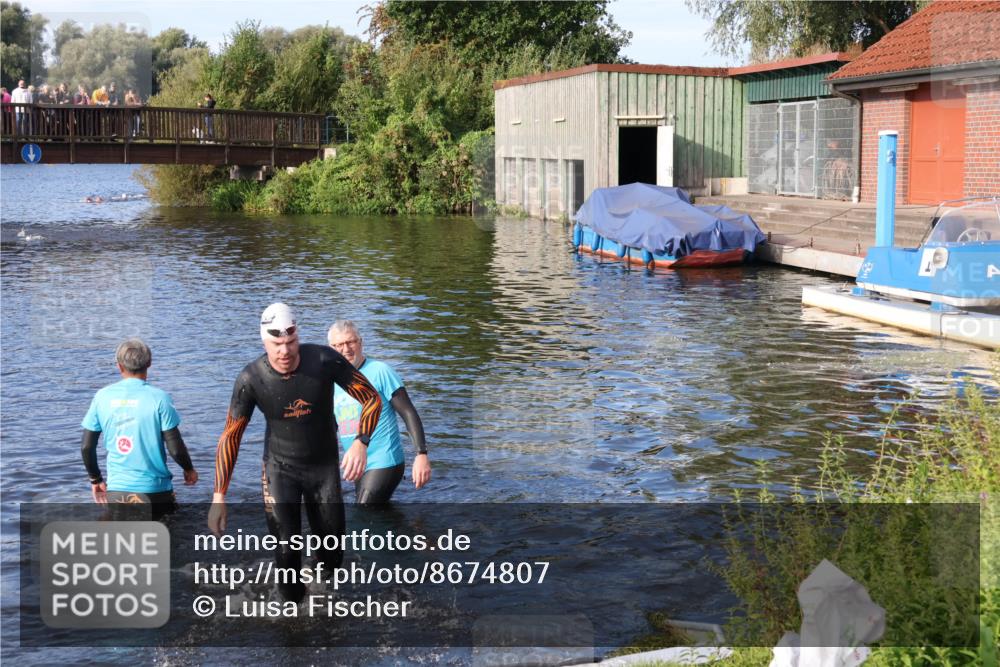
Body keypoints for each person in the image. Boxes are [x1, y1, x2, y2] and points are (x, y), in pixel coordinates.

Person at [208, 303, 382, 602]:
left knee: (332, 556)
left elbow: (371, 398)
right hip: (280, 469)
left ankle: (324, 607)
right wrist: (219, 496)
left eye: (291, 342)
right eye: (277, 344)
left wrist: (360, 442)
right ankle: (292, 619)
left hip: (323, 468)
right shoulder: (251, 379)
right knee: (287, 551)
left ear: (297, 337)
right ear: (265, 342)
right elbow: (231, 436)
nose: (285, 352)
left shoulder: (325, 360)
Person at [81, 339, 198, 519]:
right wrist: (189, 469)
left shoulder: (102, 397)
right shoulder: (160, 398)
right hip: (156, 492)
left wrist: (95, 479)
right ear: (149, 363)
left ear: (119, 366)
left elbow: (87, 447)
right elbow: (175, 448)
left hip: (117, 492)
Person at [328, 320, 431, 503]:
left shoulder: (380, 371)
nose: (346, 349)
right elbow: (332, 425)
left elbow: (408, 412)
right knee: (375, 514)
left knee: (364, 512)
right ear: (330, 348)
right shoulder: (333, 381)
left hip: (385, 460)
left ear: (361, 342)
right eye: (339, 345)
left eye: (351, 342)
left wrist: (421, 455)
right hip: (357, 463)